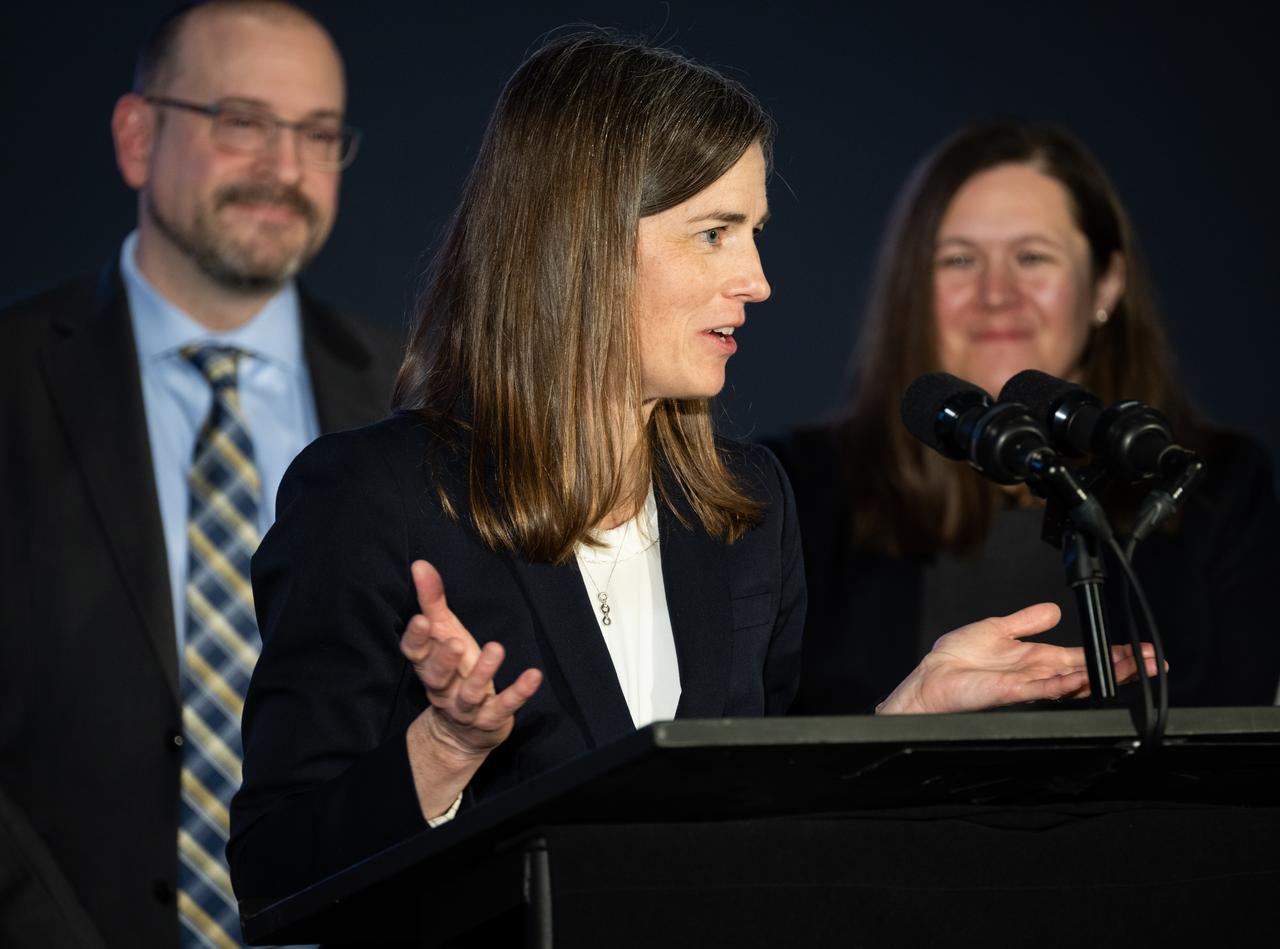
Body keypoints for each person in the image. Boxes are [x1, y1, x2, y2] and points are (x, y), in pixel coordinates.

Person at [227, 38, 1157, 905]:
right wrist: (444, 747)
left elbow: (753, 838)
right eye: (715, 232)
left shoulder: (747, 506)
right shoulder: (376, 497)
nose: (756, 279)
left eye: (753, 231)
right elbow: (273, 870)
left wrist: (903, 715)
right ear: (581, 242)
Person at [0, 2, 402, 946]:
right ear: (137, 138)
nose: (283, 168)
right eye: (241, 122)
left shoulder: (413, 397)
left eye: (316, 134)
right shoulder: (12, 384)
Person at [770, 121, 1280, 715]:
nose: (995, 293)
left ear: (1106, 285)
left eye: (1032, 257)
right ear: (914, 288)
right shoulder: (796, 490)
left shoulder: (1210, 484)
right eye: (959, 259)